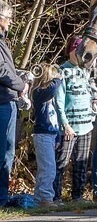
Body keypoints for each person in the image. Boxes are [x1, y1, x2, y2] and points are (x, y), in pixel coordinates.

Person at [53, 37, 97, 202]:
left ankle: (77, 195)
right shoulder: (63, 71)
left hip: (86, 124)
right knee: (61, 162)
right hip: (70, 126)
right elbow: (58, 100)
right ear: (72, 51)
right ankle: (55, 196)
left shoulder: (86, 71)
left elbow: (92, 91)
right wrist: (65, 124)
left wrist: (94, 103)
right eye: (79, 50)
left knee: (81, 163)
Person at [0, 0, 29, 207]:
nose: (10, 22)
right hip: (3, 101)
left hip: (5, 99)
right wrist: (21, 84)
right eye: (8, 17)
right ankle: (1, 198)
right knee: (5, 151)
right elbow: (2, 71)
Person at [31, 64, 63, 207]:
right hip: (42, 135)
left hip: (50, 134)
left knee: (47, 168)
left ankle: (39, 198)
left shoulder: (49, 98)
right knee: (48, 169)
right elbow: (53, 88)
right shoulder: (39, 93)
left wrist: (57, 136)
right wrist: (59, 78)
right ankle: (45, 198)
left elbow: (54, 119)